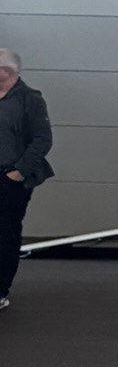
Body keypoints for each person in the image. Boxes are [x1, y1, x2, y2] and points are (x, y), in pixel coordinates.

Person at [0, 50, 53, 308]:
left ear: (6, 71)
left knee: (5, 234)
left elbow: (42, 140)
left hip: (9, 178)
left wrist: (18, 172)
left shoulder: (29, 100)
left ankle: (0, 289)